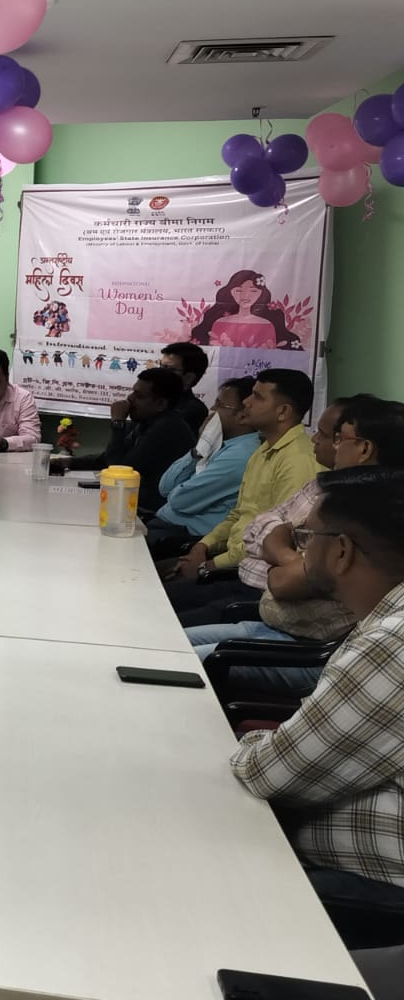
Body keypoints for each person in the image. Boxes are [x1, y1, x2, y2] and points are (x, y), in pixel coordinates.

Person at [229, 468, 404, 925]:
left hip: (375, 891)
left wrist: (255, 742)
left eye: (308, 538)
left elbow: (267, 774)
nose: (303, 549)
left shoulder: (392, 643)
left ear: (342, 551)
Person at [189, 397, 404, 689]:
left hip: (306, 650)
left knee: (180, 662)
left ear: (365, 448)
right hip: (273, 624)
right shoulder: (325, 485)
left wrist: (283, 554)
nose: (328, 444)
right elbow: (261, 526)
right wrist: (293, 558)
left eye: (339, 438)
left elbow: (280, 582)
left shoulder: (370, 514)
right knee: (171, 646)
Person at [166, 368, 321, 620]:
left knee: (161, 606)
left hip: (253, 579)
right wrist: (202, 546)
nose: (247, 402)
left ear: (283, 411)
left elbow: (272, 539)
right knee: (152, 585)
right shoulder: (262, 451)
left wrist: (208, 565)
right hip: (228, 562)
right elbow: (237, 514)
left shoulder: (298, 461)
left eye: (257, 397)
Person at [144, 377, 259, 556]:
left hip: (185, 536)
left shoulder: (240, 455)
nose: (212, 410)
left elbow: (179, 500)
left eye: (219, 405)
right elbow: (165, 487)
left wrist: (177, 491)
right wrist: (200, 448)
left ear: (242, 415)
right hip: (165, 525)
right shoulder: (217, 443)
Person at [60, 367, 197, 514]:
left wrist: (118, 423)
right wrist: (67, 463)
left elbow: (119, 470)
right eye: (133, 392)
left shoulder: (167, 427)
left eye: (139, 396)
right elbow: (108, 458)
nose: (130, 399)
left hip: (153, 512)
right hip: (136, 503)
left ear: (161, 404)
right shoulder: (145, 421)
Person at [189, 269, 303, 350]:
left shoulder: (267, 325)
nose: (245, 296)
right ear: (230, 292)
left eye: (253, 291)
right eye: (238, 291)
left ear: (261, 294)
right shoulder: (219, 323)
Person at [159, 341, 212, 433]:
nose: (159, 373)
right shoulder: (154, 399)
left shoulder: (193, 410)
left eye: (168, 369)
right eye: (160, 366)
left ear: (188, 378)